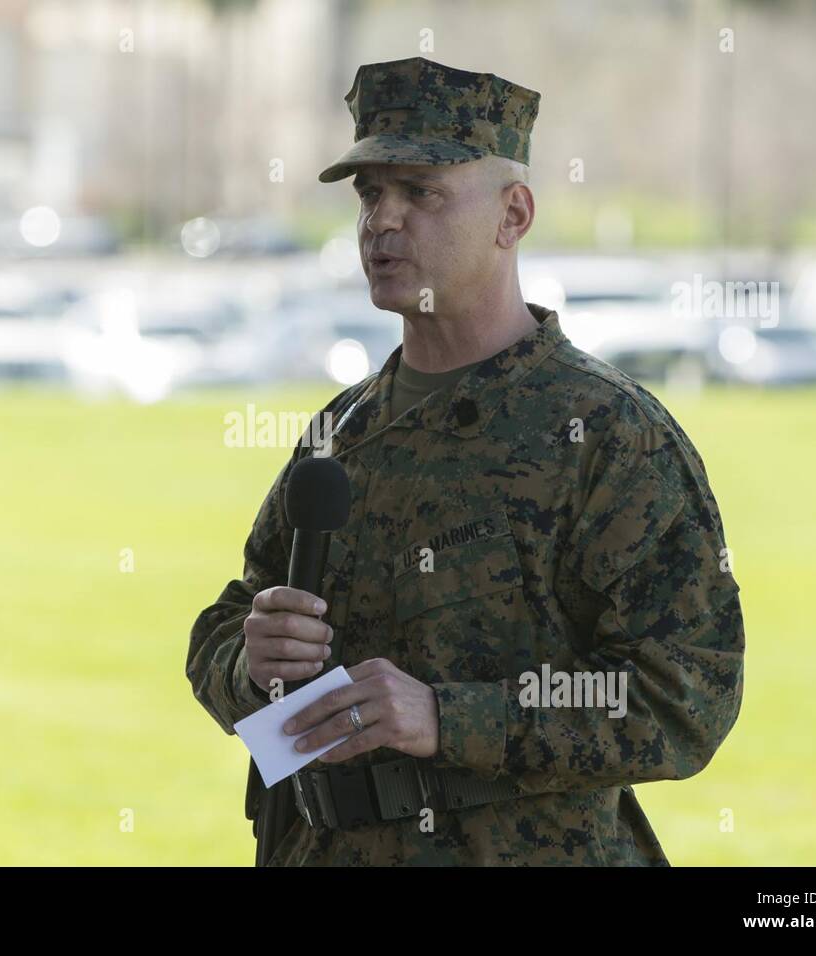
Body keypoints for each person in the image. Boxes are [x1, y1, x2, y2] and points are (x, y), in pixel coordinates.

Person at [186, 56, 745, 865]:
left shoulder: (608, 435)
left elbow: (684, 695)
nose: (382, 222)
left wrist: (449, 718)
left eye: (421, 193)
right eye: (370, 193)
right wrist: (250, 659)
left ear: (512, 215)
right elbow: (229, 622)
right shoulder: (342, 430)